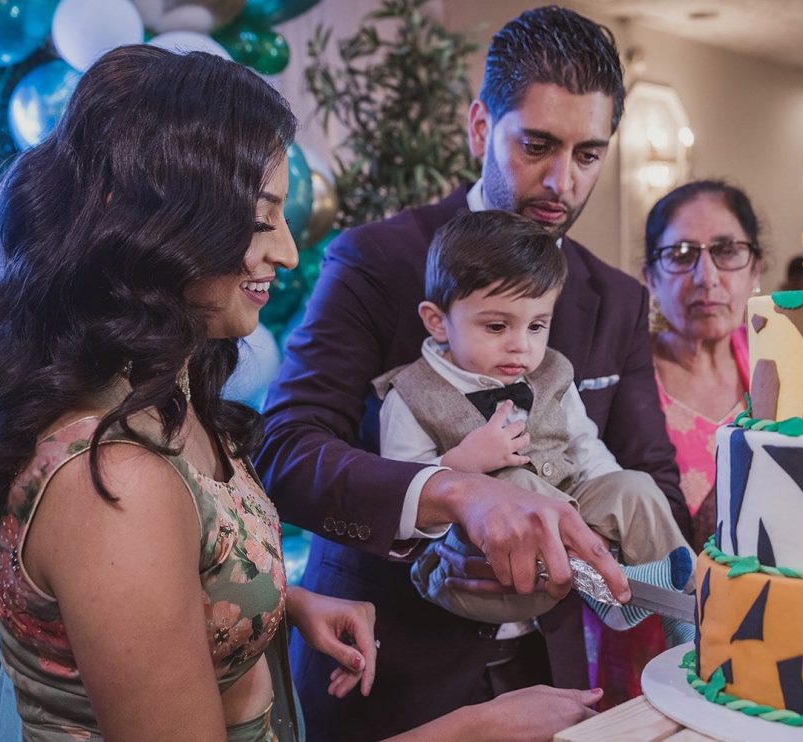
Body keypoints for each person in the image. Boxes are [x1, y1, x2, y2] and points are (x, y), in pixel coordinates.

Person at [0, 46, 600, 742]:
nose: (283, 251)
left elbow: (174, 587)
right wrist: (471, 731)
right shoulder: (114, 481)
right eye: (260, 220)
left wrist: (279, 605)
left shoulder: (166, 401)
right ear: (162, 223)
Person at [255, 6, 687, 739]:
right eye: (538, 145)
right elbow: (287, 449)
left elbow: (650, 476)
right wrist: (447, 496)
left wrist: (578, 564)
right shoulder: (376, 261)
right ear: (481, 128)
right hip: (384, 674)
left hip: (547, 677)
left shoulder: (615, 300)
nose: (561, 180)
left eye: (587, 155)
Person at [373, 210, 691, 624]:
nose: (520, 347)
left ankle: (685, 608)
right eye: (497, 327)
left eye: (537, 325)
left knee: (636, 486)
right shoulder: (411, 395)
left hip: (562, 551)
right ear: (438, 322)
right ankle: (615, 586)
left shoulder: (552, 372)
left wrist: (614, 502)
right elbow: (403, 497)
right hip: (472, 570)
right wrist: (463, 463)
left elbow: (584, 446)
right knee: (514, 485)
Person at [586, 180, 764, 708]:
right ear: (649, 277)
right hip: (641, 643)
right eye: (680, 254)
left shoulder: (785, 374)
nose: (705, 277)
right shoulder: (620, 380)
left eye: (727, 251)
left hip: (761, 638)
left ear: (756, 269)